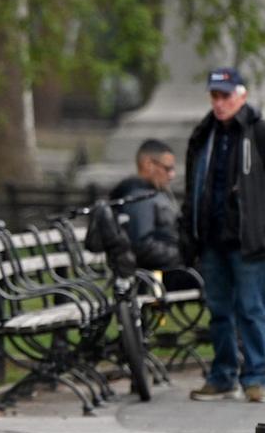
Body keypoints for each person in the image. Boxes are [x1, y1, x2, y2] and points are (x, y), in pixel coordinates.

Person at [180, 67, 265, 403]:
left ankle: (257, 376)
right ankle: (223, 374)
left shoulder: (257, 132)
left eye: (225, 95)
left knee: (250, 309)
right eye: (214, 96)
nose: (219, 103)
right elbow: (193, 187)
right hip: (212, 239)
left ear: (241, 96)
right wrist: (190, 232)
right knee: (218, 310)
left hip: (248, 242)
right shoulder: (204, 135)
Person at [109, 139, 183, 270]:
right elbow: (143, 247)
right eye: (167, 168)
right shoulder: (139, 199)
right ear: (148, 164)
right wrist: (185, 255)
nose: (172, 175)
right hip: (162, 274)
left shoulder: (153, 194)